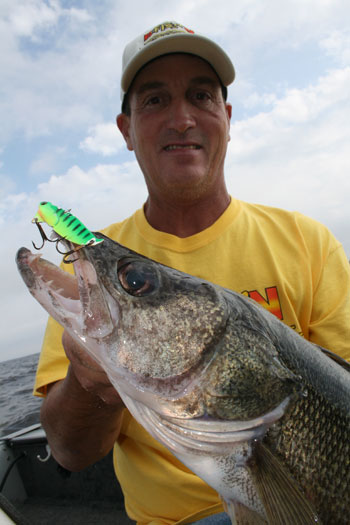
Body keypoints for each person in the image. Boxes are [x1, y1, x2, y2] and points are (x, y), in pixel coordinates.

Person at [34, 21, 350, 525]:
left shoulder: (308, 243)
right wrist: (90, 383)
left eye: (200, 96)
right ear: (126, 131)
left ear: (225, 116)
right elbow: (71, 453)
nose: (181, 119)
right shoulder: (91, 278)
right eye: (155, 101)